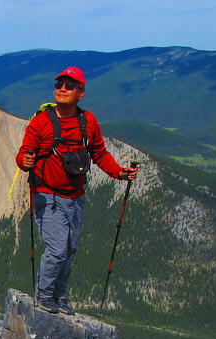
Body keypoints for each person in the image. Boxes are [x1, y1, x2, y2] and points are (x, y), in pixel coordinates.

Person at [16, 66, 138, 314]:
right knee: (58, 248)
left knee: (70, 248)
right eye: (59, 84)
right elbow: (24, 152)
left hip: (75, 198)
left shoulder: (88, 122)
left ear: (80, 93)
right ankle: (44, 296)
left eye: (69, 86)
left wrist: (119, 173)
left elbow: (99, 154)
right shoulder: (41, 122)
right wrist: (24, 161)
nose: (62, 89)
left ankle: (59, 296)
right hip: (47, 196)